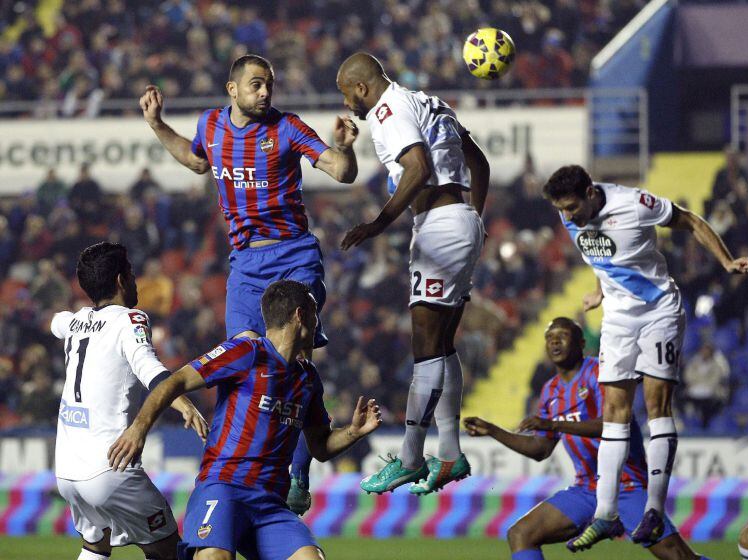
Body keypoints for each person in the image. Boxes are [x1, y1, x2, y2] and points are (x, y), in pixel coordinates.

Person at [140, 53, 359, 514]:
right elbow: (198, 163)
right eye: (257, 85)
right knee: (238, 362)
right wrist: (158, 125)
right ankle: (225, 466)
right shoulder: (211, 126)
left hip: (294, 254)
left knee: (291, 358)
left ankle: (296, 473)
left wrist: (347, 148)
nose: (265, 93)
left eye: (270, 85)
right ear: (232, 89)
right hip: (245, 264)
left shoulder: (288, 129)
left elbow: (341, 172)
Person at [541, 165, 748, 548]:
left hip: (659, 310)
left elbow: (690, 220)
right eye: (563, 209)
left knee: (657, 406)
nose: (568, 215)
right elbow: (600, 252)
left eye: (573, 207)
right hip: (618, 319)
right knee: (614, 412)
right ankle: (606, 514)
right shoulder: (569, 213)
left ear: (591, 192)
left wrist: (726, 262)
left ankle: (653, 510)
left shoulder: (635, 203)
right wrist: (600, 291)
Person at [108, 280, 382, 560]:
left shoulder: (308, 377)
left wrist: (354, 431)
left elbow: (320, 447)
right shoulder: (246, 353)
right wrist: (138, 428)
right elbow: (175, 381)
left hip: (271, 505)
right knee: (214, 557)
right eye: (314, 313)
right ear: (300, 315)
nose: (318, 324)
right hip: (224, 488)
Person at [336, 52, 490, 495]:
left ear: (362, 87)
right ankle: (450, 454)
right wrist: (474, 216)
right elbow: (478, 161)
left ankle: (408, 458)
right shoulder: (429, 102)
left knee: (424, 347)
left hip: (441, 229)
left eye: (348, 94)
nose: (349, 104)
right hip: (459, 220)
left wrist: (377, 224)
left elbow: (418, 167)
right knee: (441, 345)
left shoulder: (388, 111)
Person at [463, 317, 712, 560]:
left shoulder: (602, 373)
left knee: (679, 556)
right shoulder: (550, 390)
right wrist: (494, 431)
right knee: (521, 533)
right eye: (549, 338)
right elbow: (541, 449)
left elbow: (615, 425)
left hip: (625, 485)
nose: (555, 343)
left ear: (581, 343)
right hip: (586, 490)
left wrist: (553, 423)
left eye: (563, 336)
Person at [51, 242, 208, 560]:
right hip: (110, 466)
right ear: (122, 280)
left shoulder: (75, 321)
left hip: (67, 471)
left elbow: (58, 322)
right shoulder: (130, 320)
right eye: (133, 273)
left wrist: (64, 321)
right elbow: (152, 371)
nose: (136, 280)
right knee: (168, 550)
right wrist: (185, 404)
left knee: (96, 545)